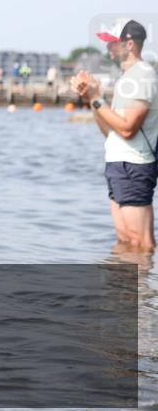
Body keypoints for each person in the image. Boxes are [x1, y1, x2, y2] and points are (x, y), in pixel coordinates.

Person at [71, 18, 157, 251]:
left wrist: (97, 99)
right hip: (119, 163)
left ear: (129, 45)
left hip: (134, 165)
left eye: (112, 42)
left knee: (140, 242)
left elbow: (128, 128)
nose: (107, 47)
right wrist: (92, 98)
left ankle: (144, 287)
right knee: (126, 240)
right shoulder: (127, 78)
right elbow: (110, 132)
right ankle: (124, 287)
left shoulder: (142, 75)